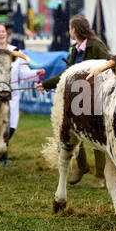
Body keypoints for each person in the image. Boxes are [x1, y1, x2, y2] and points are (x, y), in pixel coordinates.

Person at [35, 15, 109, 188]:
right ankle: (82, 167)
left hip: (95, 97)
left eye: (70, 27)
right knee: (74, 132)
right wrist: (46, 85)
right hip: (76, 98)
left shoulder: (97, 46)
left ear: (75, 29)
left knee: (99, 137)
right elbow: (67, 74)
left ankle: (101, 177)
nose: (70, 31)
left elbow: (107, 68)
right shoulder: (74, 49)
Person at [0, 23, 45, 165]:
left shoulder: (15, 52)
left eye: (3, 31)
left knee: (11, 125)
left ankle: (2, 149)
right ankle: (0, 155)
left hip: (12, 94)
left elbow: (23, 73)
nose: (1, 34)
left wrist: (36, 73)